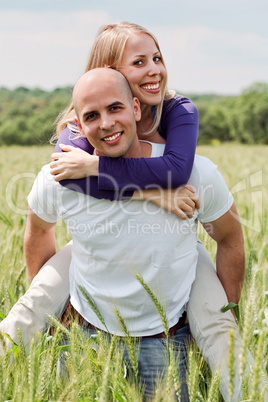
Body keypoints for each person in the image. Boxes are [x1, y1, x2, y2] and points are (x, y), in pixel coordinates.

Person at [0, 21, 264, 401]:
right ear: (108, 72)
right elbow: (45, 219)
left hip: (174, 292)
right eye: (139, 62)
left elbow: (177, 173)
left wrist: (233, 309)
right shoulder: (72, 154)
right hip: (91, 325)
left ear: (134, 105)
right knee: (33, 307)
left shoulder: (180, 119)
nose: (154, 69)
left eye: (156, 58)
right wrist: (150, 193)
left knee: (219, 326)